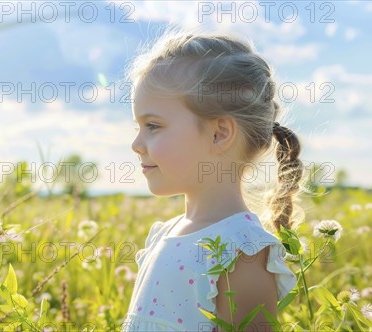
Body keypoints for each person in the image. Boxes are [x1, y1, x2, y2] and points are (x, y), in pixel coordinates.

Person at [122, 28, 305, 332]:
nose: (136, 144)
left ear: (219, 133)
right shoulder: (163, 234)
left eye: (153, 125)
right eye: (138, 126)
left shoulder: (243, 253)